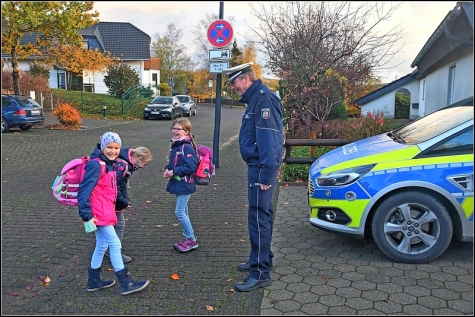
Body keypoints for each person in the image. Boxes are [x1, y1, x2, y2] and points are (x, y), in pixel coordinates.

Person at [223, 62, 283, 292]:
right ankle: (260, 257)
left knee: (258, 218)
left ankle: (260, 272)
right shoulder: (257, 99)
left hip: (260, 169)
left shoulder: (264, 100)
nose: (232, 87)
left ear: (245, 79)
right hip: (258, 167)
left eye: (234, 82)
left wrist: (267, 175)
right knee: (259, 216)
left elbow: (270, 141)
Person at [78, 131, 150, 295]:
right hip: (98, 214)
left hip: (104, 211)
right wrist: (87, 215)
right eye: (109, 147)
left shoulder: (110, 163)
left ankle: (94, 280)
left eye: (116, 148)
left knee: (102, 245)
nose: (113, 151)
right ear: (103, 147)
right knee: (115, 244)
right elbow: (84, 191)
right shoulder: (97, 165)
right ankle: (126, 283)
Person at [90, 143, 153, 263]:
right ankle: (114, 252)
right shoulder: (122, 166)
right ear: (139, 159)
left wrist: (125, 200)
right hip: (108, 199)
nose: (142, 167)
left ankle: (108, 251)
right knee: (119, 224)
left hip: (107, 198)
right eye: (144, 164)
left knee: (112, 226)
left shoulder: (124, 162)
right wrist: (123, 202)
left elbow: (121, 185)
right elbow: (116, 187)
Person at [163, 118, 200, 253]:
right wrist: (168, 169)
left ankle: (191, 239)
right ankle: (188, 237)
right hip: (179, 182)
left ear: (186, 131)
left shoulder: (186, 147)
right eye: (174, 128)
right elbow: (175, 162)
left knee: (179, 212)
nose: (175, 131)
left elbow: (191, 166)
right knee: (184, 211)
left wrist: (173, 171)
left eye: (179, 129)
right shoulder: (177, 145)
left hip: (185, 183)